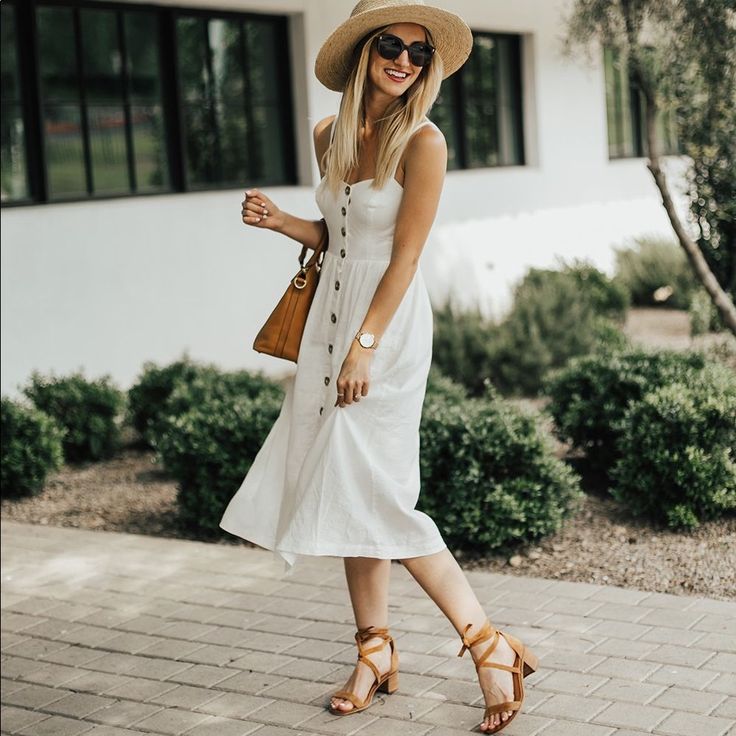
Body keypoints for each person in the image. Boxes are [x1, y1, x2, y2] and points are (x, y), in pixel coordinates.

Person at [219, 1, 538, 732]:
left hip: (384, 331)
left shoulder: (425, 142)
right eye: (391, 44)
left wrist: (365, 346)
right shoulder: (328, 132)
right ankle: (375, 651)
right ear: (364, 50)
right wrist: (280, 224)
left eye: (418, 54)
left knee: (383, 498)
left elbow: (404, 258)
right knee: (345, 494)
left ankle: (489, 645)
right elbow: (336, 236)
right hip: (330, 322)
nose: (403, 59)